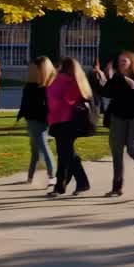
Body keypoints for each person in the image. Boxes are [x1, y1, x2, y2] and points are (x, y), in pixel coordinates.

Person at [93, 52, 134, 199]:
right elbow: (105, 92)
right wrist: (100, 75)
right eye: (119, 61)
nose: (121, 64)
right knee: (116, 152)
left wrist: (133, 86)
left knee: (133, 149)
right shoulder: (116, 78)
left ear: (132, 63)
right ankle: (117, 188)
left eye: (124, 61)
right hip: (118, 118)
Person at [46, 56, 93, 196]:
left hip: (63, 121)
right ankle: (64, 184)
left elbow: (62, 100)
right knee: (65, 154)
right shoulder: (76, 81)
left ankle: (78, 183)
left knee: (66, 154)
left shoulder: (64, 81)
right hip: (66, 121)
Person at [16, 56, 57, 188]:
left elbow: (51, 106)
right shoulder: (30, 86)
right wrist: (20, 116)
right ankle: (30, 176)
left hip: (41, 121)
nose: (31, 70)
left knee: (43, 146)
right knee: (34, 149)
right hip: (31, 120)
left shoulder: (48, 86)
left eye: (34, 68)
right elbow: (25, 103)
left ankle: (53, 176)